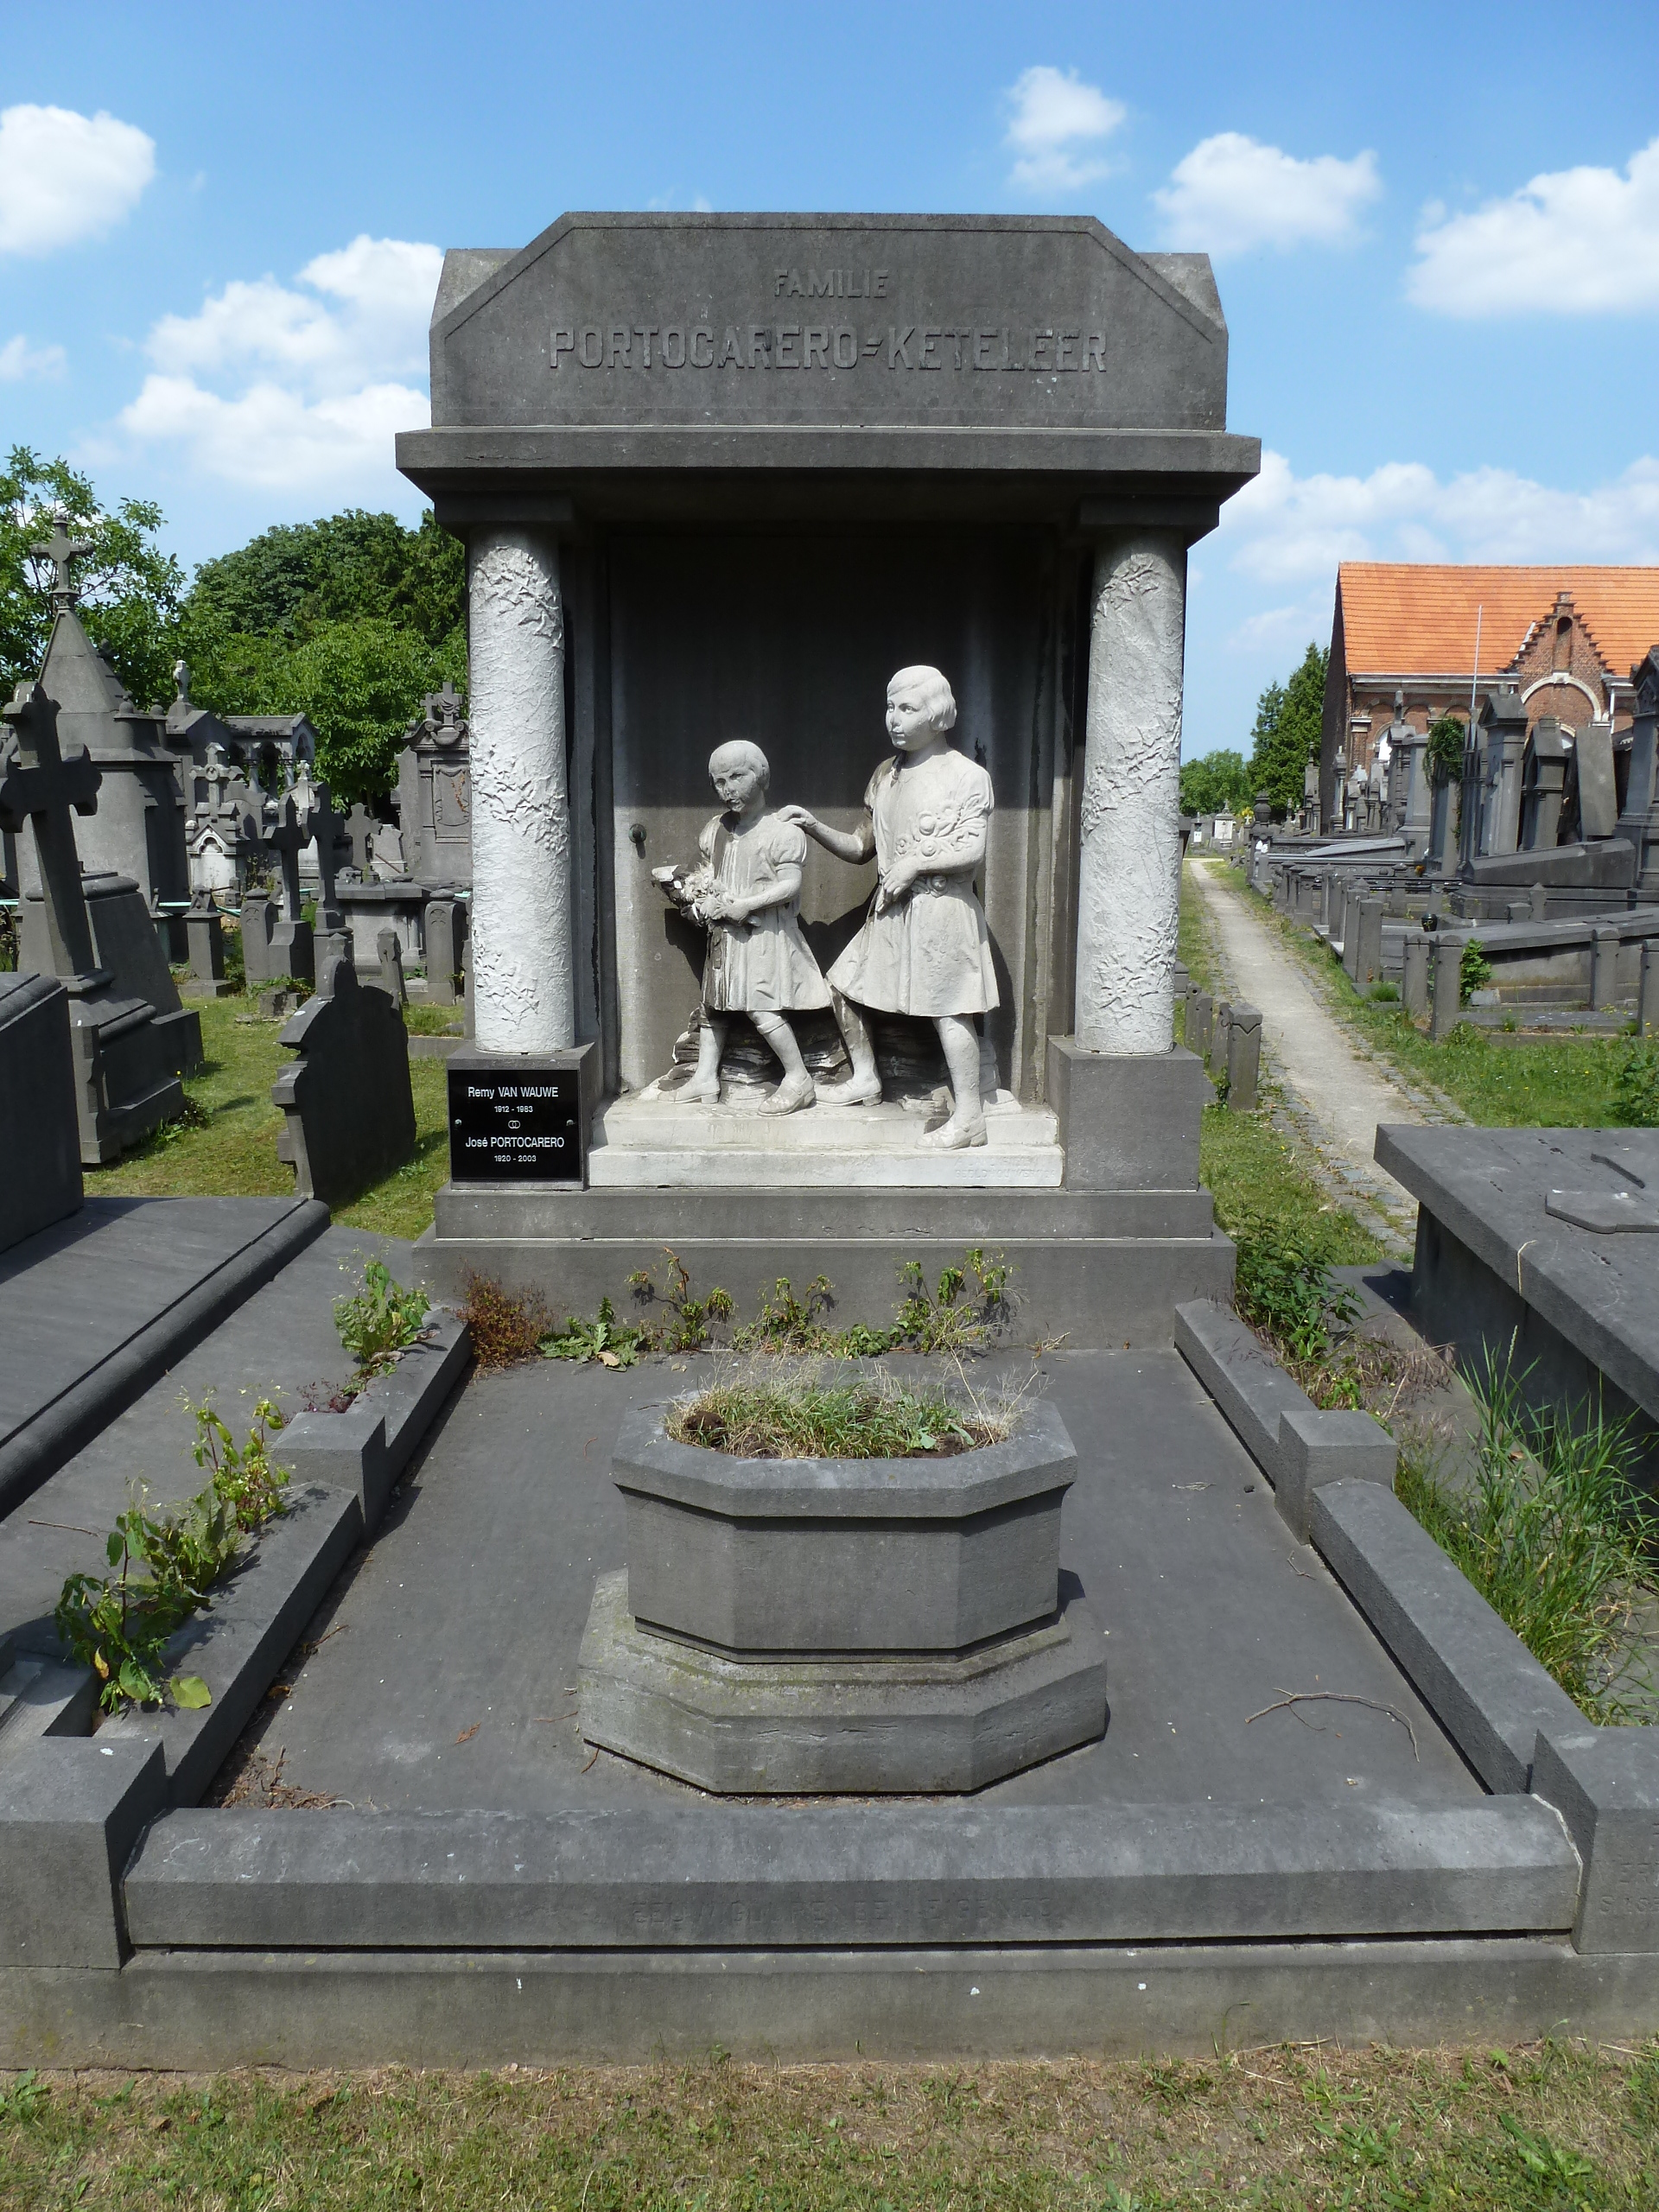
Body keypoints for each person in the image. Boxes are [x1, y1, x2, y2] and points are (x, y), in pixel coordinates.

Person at [782, 664, 997, 1148]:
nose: (894, 719)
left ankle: (970, 1117)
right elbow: (863, 846)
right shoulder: (886, 774)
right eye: (890, 707)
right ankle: (866, 1077)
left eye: (907, 708)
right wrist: (813, 826)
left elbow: (973, 849)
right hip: (891, 913)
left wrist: (916, 863)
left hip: (941, 910)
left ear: (937, 715)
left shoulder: (967, 776)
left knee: (951, 1011)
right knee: (842, 985)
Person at [656, 740, 829, 1114]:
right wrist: (701, 898)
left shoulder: (781, 831)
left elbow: (791, 885)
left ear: (760, 775)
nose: (727, 789)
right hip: (724, 937)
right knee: (713, 1005)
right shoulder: (715, 830)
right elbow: (708, 874)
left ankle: (799, 1078)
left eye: (737, 777)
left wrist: (746, 905)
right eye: (719, 782)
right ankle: (705, 1077)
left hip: (762, 936)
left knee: (761, 1007)